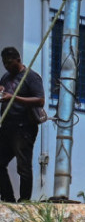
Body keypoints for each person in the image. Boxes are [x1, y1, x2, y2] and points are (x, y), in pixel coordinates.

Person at [0, 47, 45, 202]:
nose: (6, 66)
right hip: (6, 127)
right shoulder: (6, 77)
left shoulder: (31, 77)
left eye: (9, 63)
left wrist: (13, 97)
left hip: (24, 128)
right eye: (4, 63)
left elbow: (40, 100)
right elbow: (4, 94)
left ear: (18, 60)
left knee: (23, 167)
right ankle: (7, 198)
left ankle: (24, 201)